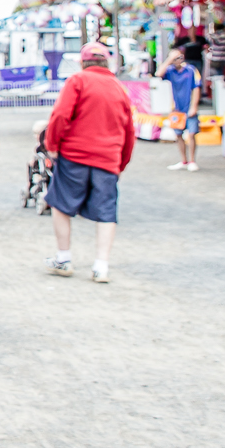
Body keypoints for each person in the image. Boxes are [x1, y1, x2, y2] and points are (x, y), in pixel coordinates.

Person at [43, 42, 135, 282]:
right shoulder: (119, 87)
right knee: (107, 211)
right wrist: (121, 163)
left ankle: (63, 259)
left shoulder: (77, 81)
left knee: (61, 204)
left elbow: (61, 115)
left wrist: (52, 146)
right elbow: (129, 130)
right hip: (108, 159)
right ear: (107, 62)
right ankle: (101, 266)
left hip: (74, 155)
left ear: (83, 62)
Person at [161, 46, 204, 171]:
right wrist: (169, 60)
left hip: (188, 107)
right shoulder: (170, 70)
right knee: (178, 135)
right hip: (176, 109)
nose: (178, 60)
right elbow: (158, 74)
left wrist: (194, 107)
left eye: (179, 57)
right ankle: (183, 160)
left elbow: (196, 88)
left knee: (191, 134)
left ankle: (192, 160)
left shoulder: (191, 70)